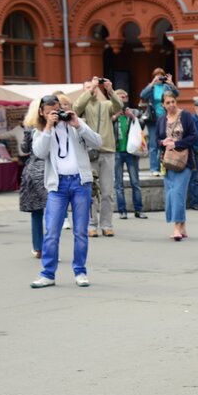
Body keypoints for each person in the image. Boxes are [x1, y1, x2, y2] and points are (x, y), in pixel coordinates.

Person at [30, 95, 102, 288]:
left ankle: (80, 271)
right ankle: (48, 274)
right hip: (57, 185)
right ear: (42, 113)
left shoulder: (76, 125)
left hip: (80, 183)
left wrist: (78, 124)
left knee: (80, 231)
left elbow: (98, 142)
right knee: (52, 231)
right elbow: (39, 152)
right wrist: (47, 127)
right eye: (49, 112)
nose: (54, 115)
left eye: (57, 110)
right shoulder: (39, 131)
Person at [74, 76, 124, 237]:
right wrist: (91, 90)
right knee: (90, 191)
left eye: (94, 86)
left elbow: (119, 106)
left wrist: (110, 90)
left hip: (107, 151)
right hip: (89, 153)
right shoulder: (83, 107)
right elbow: (76, 108)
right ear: (84, 90)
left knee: (107, 191)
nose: (93, 89)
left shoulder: (106, 105)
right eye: (88, 87)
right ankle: (91, 224)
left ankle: (107, 224)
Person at [157, 92, 198, 241]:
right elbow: (156, 140)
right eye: (167, 102)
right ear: (163, 104)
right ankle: (182, 226)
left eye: (173, 101)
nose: (171, 105)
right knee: (170, 194)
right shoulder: (161, 120)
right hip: (168, 162)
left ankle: (176, 228)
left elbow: (194, 136)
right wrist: (163, 142)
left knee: (178, 193)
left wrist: (176, 143)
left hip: (184, 160)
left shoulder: (185, 116)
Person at [112, 90, 147, 220]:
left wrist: (133, 117)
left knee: (135, 182)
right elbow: (105, 127)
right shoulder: (111, 112)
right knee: (119, 184)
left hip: (131, 151)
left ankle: (139, 210)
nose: (121, 99)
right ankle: (122, 211)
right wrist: (114, 118)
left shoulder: (134, 111)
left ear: (127, 98)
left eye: (123, 97)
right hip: (117, 151)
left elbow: (142, 125)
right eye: (119, 97)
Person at [19, 100, 48, 258]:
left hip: (34, 170)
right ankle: (50, 247)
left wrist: (25, 132)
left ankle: (38, 247)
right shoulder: (54, 125)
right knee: (52, 211)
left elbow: (24, 149)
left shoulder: (30, 127)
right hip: (50, 169)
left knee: (36, 212)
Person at [139, 68, 180, 176]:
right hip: (153, 120)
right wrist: (152, 84)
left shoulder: (166, 87)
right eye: (157, 76)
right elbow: (142, 95)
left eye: (161, 76)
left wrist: (171, 83)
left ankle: (166, 165)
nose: (159, 78)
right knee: (153, 144)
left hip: (167, 119)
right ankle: (154, 168)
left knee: (166, 143)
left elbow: (176, 94)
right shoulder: (151, 88)